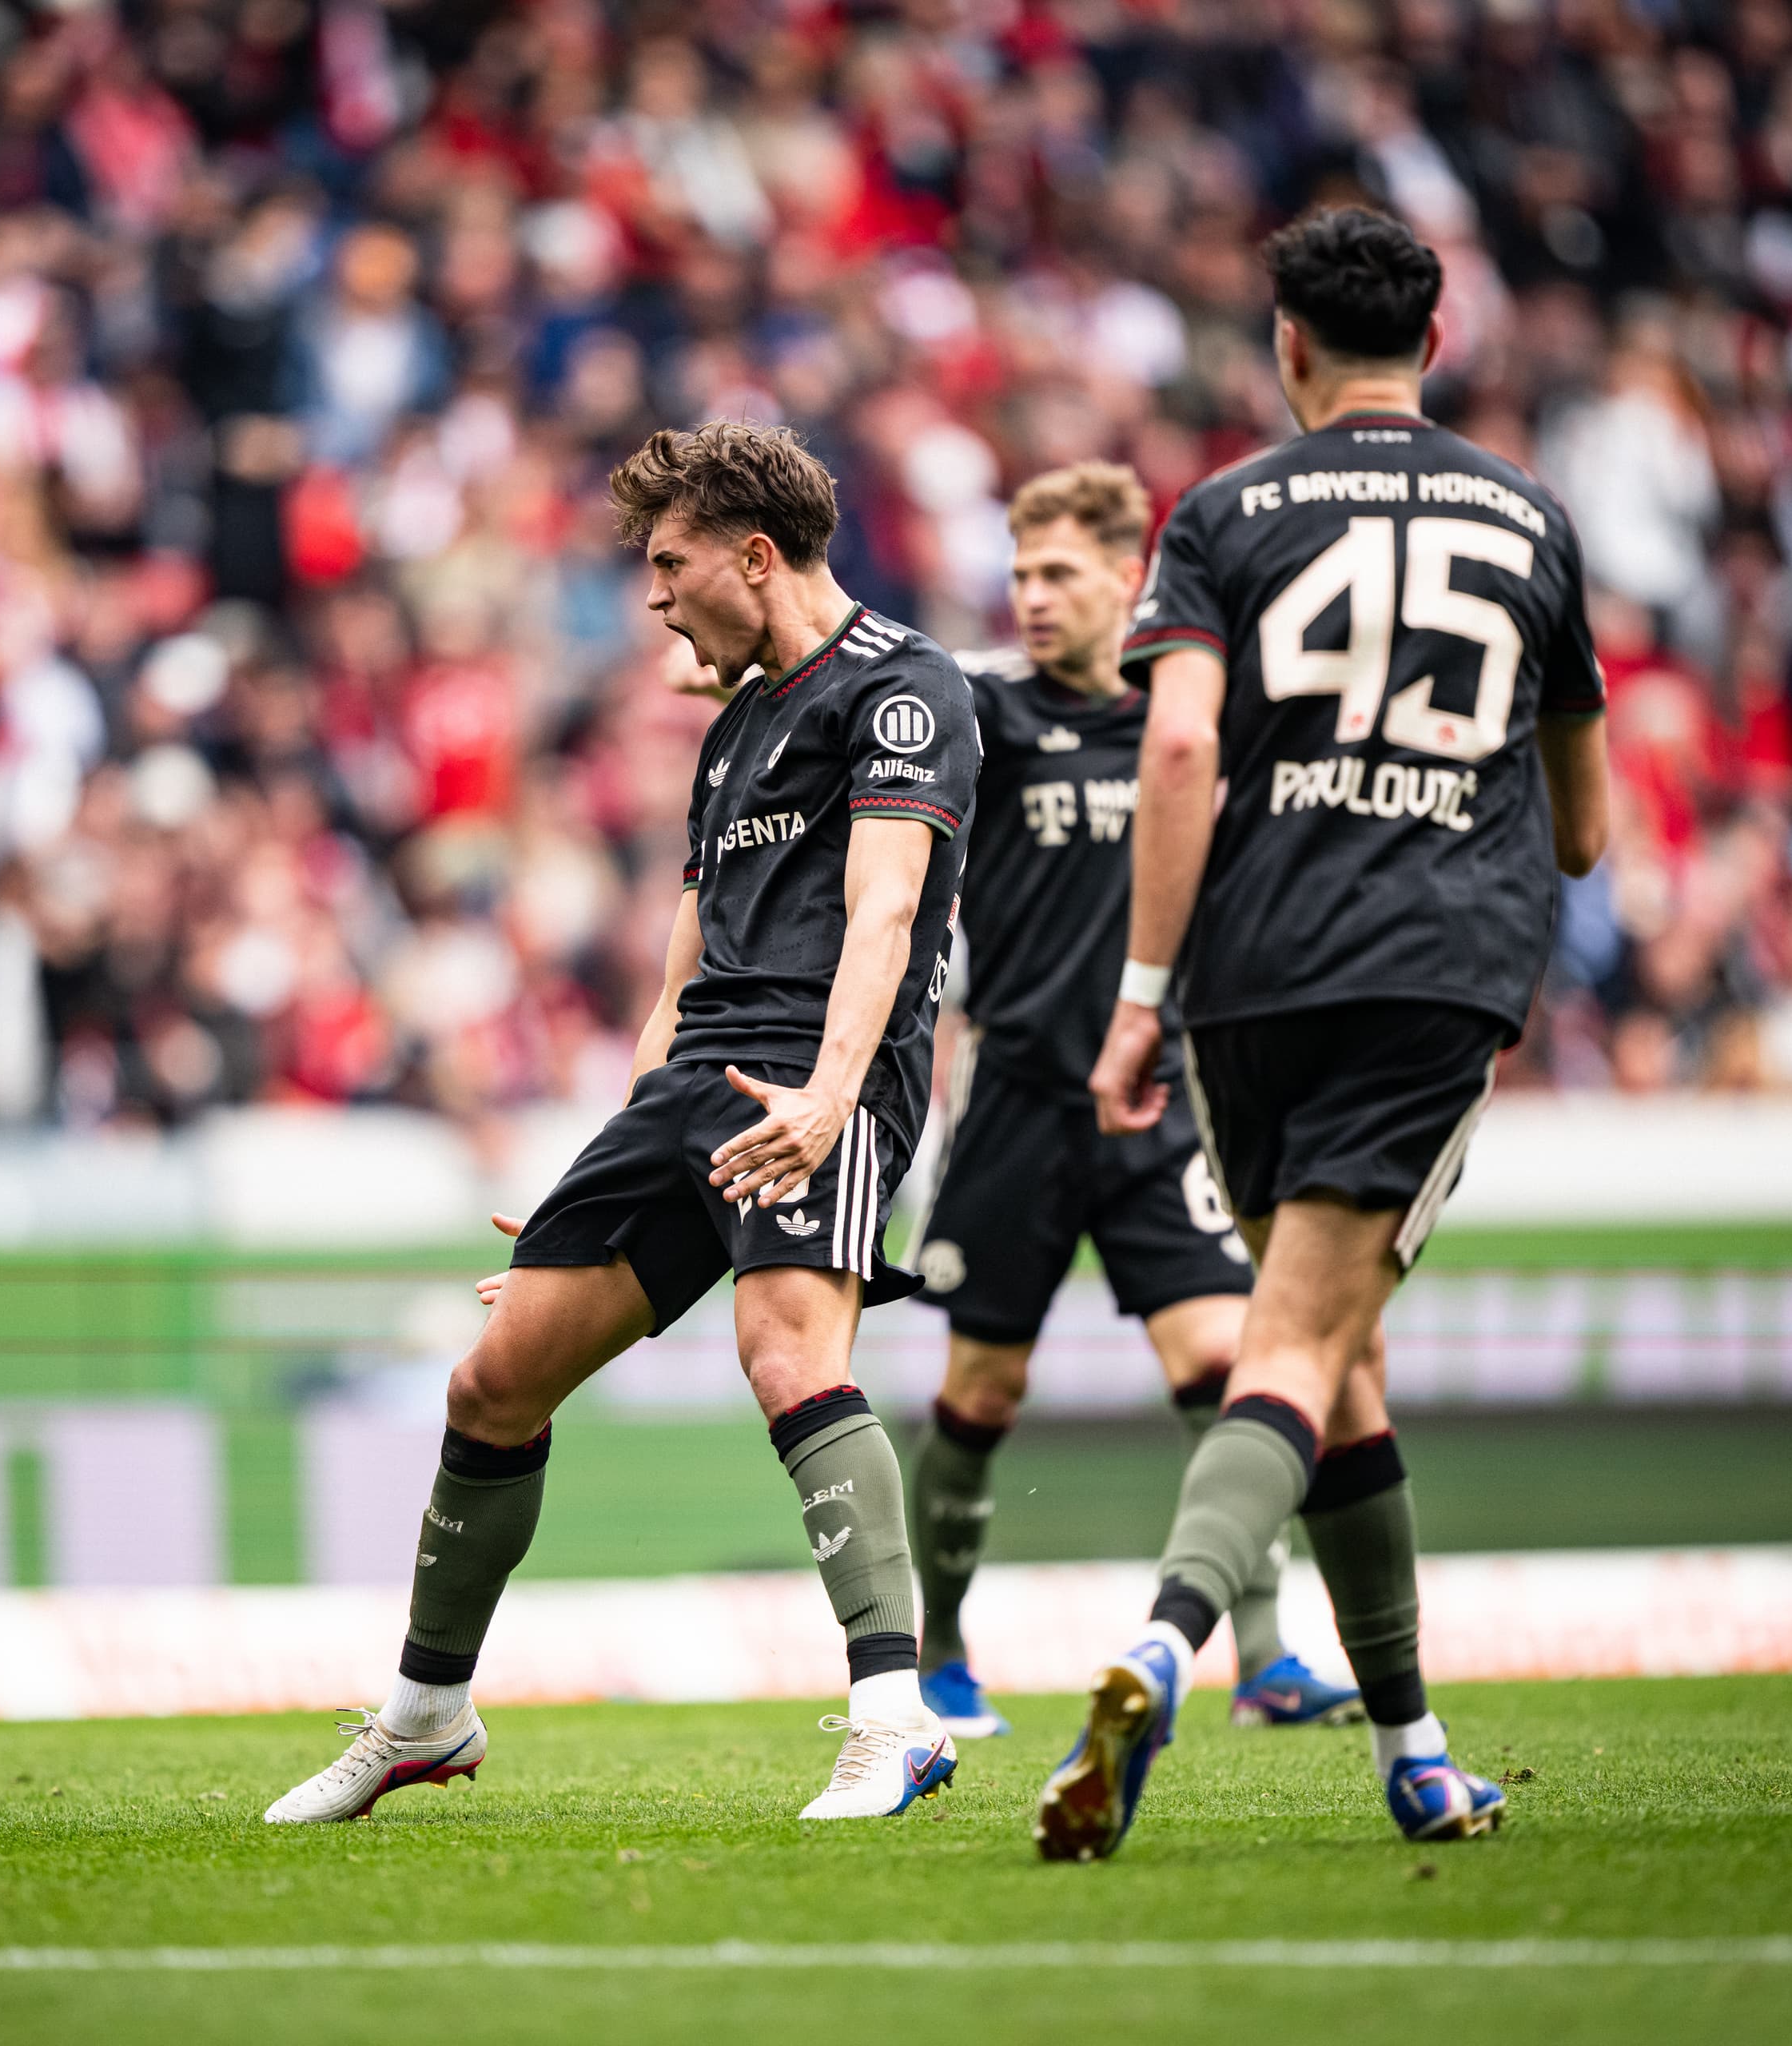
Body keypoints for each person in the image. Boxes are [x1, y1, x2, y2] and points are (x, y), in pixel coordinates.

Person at [265, 420, 981, 1825]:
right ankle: (426, 1715)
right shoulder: (733, 732)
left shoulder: (906, 688)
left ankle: (895, 1716)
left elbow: (889, 908)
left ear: (755, 556)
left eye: (670, 565)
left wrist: (836, 1096)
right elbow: (677, 974)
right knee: (494, 1381)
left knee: (787, 1355)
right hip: (694, 1086)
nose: (653, 597)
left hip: (813, 1072)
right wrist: (601, 1177)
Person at [1037, 209, 1611, 1861]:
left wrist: (1138, 998)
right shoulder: (1533, 520)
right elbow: (1581, 831)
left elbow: (1174, 759)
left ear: (1285, 345)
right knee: (1302, 1343)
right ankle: (1167, 1635)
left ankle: (1416, 1749)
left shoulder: (1220, 515)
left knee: (1333, 1346)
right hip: (1431, 971)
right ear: (1435, 345)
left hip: (1249, 973)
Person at [906, 462, 1362, 1741]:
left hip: (1162, 1111)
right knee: (982, 1392)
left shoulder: (1188, 714)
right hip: (1016, 1099)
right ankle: (940, 1652)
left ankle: (1265, 1656)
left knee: (1226, 1367)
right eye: (1020, 572)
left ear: (1127, 578)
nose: (1033, 596)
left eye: (1059, 572)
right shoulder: (980, 706)